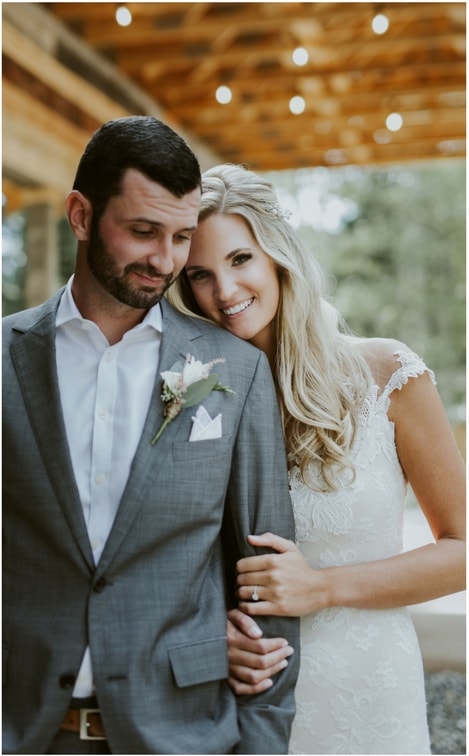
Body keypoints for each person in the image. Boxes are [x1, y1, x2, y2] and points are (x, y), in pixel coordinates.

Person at [1, 116, 299, 754]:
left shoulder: (234, 371)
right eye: (142, 232)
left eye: (181, 237)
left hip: (182, 736)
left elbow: (264, 578)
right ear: (80, 215)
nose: (165, 261)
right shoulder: (5, 357)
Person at [166, 163, 466, 754]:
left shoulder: (387, 374)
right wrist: (213, 636)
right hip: (243, 695)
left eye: (240, 259)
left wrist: (322, 588)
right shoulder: (188, 393)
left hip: (370, 693)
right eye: (200, 275)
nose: (224, 292)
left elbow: (460, 555)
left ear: (279, 256)